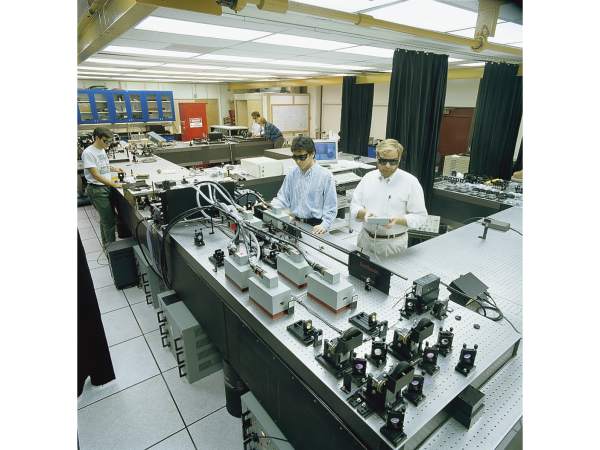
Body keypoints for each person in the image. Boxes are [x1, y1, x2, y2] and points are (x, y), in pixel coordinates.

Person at [350, 139, 427, 257]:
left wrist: (397, 219)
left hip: (392, 245)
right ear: (377, 157)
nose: (387, 166)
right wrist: (364, 213)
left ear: (399, 159)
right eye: (383, 161)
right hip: (365, 240)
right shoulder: (368, 178)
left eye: (393, 162)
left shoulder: (410, 182)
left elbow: (420, 217)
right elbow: (354, 206)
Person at [270, 136, 337, 235]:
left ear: (312, 154)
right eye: (295, 157)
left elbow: (331, 207)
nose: (298, 161)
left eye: (302, 157)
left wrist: (324, 225)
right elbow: (282, 198)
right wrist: (270, 207)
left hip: (315, 226)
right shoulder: (292, 173)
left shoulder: (325, 176)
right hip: (294, 222)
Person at [81, 127, 124, 248]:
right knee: (109, 221)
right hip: (98, 190)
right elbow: (96, 175)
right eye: (106, 141)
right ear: (97, 138)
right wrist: (113, 184)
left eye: (110, 141)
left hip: (106, 187)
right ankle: (112, 249)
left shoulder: (102, 149)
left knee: (105, 219)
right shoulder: (89, 153)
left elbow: (103, 166)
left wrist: (114, 169)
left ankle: (107, 246)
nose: (108, 144)